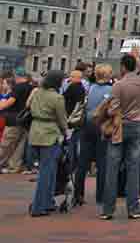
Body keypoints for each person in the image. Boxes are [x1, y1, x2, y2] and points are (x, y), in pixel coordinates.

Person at [102, 50, 140, 220]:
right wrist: (137, 58)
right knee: (133, 168)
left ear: (122, 67)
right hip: (137, 126)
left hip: (119, 126)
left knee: (112, 167)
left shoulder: (118, 85)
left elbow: (113, 109)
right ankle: (133, 208)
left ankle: (108, 210)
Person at [25, 71, 68, 216]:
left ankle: (48, 201)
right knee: (46, 172)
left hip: (35, 131)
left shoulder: (36, 92)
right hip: (50, 134)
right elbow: (62, 119)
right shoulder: (57, 98)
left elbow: (28, 106)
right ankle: (39, 206)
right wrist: (65, 132)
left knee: (49, 170)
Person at [73, 64, 114, 208]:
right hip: (102, 126)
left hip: (86, 126)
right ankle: (101, 195)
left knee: (82, 162)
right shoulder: (111, 90)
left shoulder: (89, 88)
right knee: (102, 162)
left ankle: (78, 194)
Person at [0, 69, 34, 173]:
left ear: (17, 76)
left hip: (13, 119)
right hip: (26, 120)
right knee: (20, 146)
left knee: (6, 143)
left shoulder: (18, 88)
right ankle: (14, 166)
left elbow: (10, 102)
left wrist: (1, 106)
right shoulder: (32, 87)